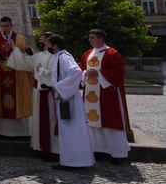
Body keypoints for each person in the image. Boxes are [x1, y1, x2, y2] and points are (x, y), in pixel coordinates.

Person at [80, 29, 131, 164]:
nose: (90, 40)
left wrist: (99, 74)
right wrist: (84, 73)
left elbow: (118, 73)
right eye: (89, 37)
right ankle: (98, 150)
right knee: (92, 123)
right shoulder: (87, 54)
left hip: (108, 95)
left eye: (92, 37)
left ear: (101, 38)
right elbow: (80, 69)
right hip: (90, 95)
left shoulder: (113, 54)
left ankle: (118, 154)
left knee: (111, 122)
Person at [10, 32, 60, 159]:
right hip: (37, 91)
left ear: (49, 42)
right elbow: (25, 63)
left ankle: (53, 149)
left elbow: (53, 73)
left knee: (49, 119)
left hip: (48, 92)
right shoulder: (39, 55)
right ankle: (40, 147)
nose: (40, 42)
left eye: (42, 40)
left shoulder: (54, 56)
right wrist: (14, 49)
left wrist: (40, 70)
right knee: (38, 119)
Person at [48, 34, 94, 170]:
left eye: (49, 45)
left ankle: (74, 161)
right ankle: (72, 160)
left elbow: (75, 72)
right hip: (65, 95)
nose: (47, 47)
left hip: (68, 98)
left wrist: (60, 88)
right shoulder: (60, 56)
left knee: (70, 129)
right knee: (68, 129)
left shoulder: (64, 57)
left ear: (55, 46)